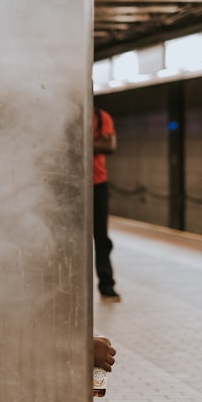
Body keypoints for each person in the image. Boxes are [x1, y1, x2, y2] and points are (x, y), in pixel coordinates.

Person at [93, 105, 120, 302]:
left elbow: (110, 146)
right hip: (71, 184)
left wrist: (77, 143)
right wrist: (95, 143)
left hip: (97, 183)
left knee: (101, 237)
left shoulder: (102, 117)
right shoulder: (66, 114)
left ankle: (106, 284)